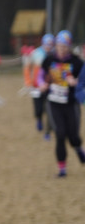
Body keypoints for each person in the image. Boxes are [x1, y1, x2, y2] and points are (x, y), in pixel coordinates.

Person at [40, 30, 85, 177]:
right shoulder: (49, 59)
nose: (61, 48)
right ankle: (62, 170)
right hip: (54, 103)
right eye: (59, 45)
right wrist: (42, 84)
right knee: (60, 134)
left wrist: (76, 83)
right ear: (56, 45)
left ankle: (78, 149)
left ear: (69, 46)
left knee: (73, 136)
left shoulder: (77, 62)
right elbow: (40, 76)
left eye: (65, 46)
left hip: (71, 104)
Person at [29, 34, 54, 138]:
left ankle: (47, 132)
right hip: (36, 85)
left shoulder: (55, 55)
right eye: (47, 44)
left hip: (50, 85)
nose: (48, 47)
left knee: (50, 110)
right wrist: (30, 80)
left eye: (51, 44)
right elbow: (29, 67)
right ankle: (39, 119)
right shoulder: (36, 53)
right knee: (38, 108)